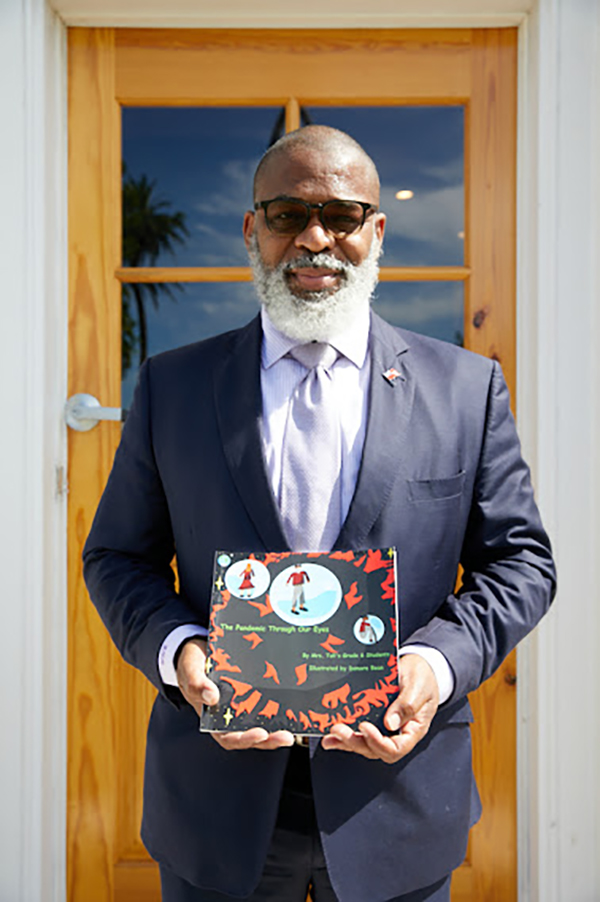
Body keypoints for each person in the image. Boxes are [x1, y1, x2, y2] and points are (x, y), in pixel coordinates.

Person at [83, 125, 556, 902]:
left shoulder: (466, 391)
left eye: (341, 216)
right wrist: (179, 652)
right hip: (217, 803)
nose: (314, 238)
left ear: (377, 232)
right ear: (252, 229)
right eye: (287, 214)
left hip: (396, 795)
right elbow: (116, 557)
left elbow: (521, 564)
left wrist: (436, 664)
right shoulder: (173, 387)